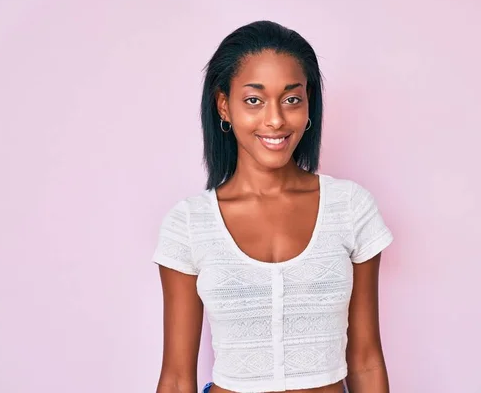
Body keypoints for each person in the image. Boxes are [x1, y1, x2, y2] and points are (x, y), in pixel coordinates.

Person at [152, 20, 394, 393]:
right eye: (254, 100)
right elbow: (177, 376)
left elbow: (365, 360)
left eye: (292, 99)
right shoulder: (188, 224)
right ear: (223, 106)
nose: (276, 119)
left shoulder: (350, 209)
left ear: (308, 104)